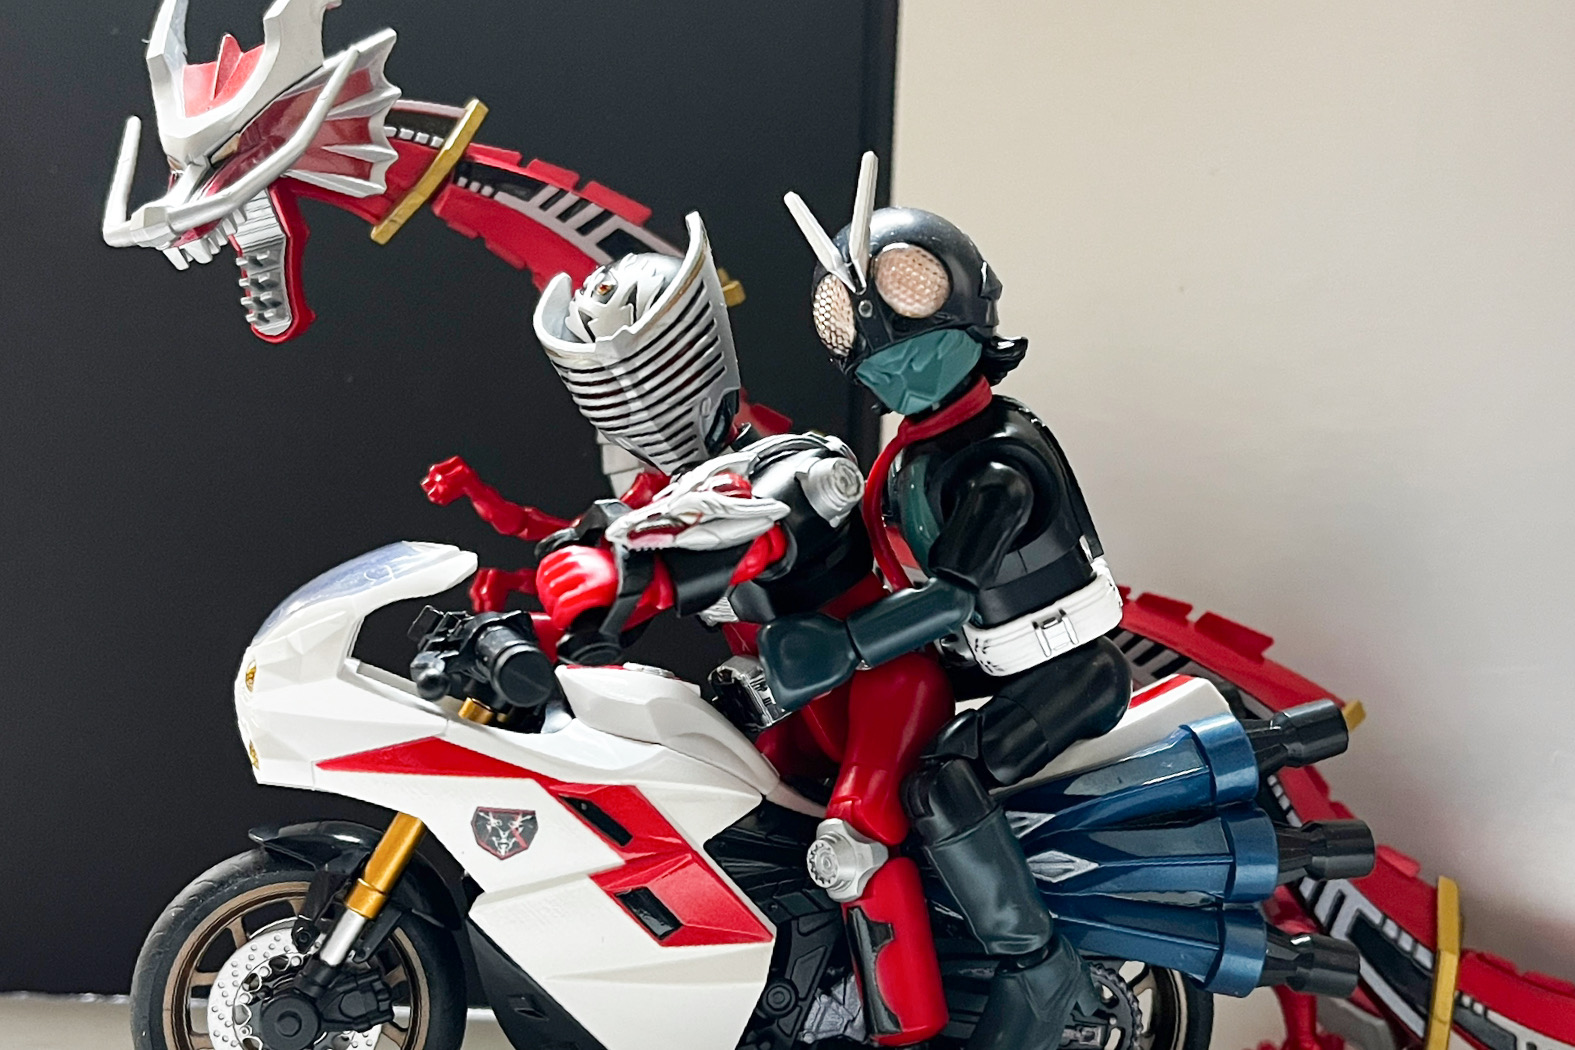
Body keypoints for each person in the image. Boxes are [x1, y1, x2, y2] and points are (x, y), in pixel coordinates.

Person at [528, 212, 955, 1045]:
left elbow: (755, 533)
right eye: (611, 383)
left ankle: (912, 1033)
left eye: (646, 370)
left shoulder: (792, 458)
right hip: (787, 705)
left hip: (878, 684)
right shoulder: (650, 500)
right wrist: (535, 632)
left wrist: (642, 577)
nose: (635, 401)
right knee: (729, 835)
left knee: (852, 843)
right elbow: (614, 569)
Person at [757, 153, 1131, 1050]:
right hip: (983, 669)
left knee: (937, 784)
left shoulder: (997, 460)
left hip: (1066, 672)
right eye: (866, 342)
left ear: (967, 303)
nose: (890, 361)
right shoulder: (910, 458)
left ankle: (1038, 968)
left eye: (910, 324)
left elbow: (951, 594)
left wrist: (846, 646)